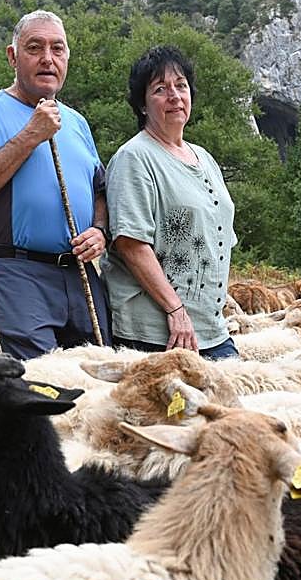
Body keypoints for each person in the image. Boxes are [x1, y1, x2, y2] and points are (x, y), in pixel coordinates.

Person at [0, 9, 111, 360]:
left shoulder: (77, 123)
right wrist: (30, 135)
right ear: (13, 56)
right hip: (17, 270)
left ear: (67, 57)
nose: (47, 59)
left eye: (57, 49)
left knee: (99, 373)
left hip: (80, 272)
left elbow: (100, 190)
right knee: (41, 378)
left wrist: (99, 230)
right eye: (34, 48)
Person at [101, 46, 240, 360]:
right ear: (142, 104)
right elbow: (132, 244)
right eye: (160, 89)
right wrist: (175, 309)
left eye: (181, 86)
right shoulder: (134, 158)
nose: (175, 96)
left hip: (211, 330)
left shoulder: (204, 158)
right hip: (159, 333)